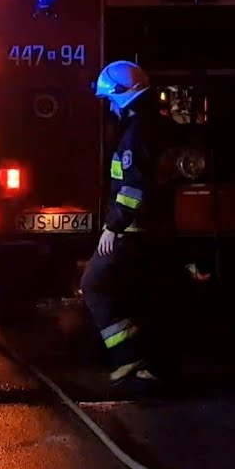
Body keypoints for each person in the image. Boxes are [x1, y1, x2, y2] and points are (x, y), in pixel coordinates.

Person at [81, 60, 174, 395]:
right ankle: (148, 361)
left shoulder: (136, 134)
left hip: (133, 231)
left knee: (94, 283)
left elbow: (134, 187)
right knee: (139, 295)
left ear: (122, 96)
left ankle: (128, 356)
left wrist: (113, 226)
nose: (108, 106)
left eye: (109, 99)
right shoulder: (152, 125)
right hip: (153, 231)